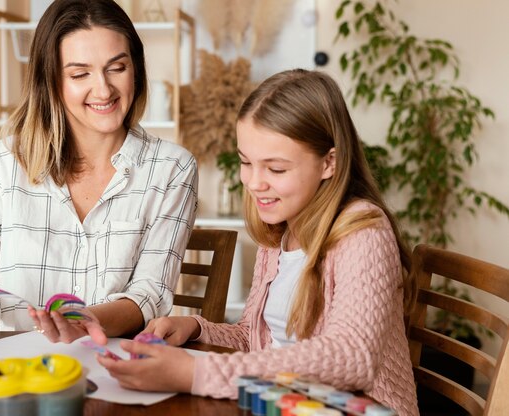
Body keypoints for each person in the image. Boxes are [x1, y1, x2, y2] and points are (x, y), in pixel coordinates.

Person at [99, 69, 419, 415]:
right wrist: (195, 328)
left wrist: (196, 372)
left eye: (275, 169)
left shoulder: (363, 231)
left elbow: (350, 357)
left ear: (330, 162)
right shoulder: (280, 230)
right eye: (245, 162)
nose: (253, 183)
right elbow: (256, 338)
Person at [0, 0, 198, 346]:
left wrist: (83, 322)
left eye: (116, 68)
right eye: (80, 74)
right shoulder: (4, 164)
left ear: (136, 70)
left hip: (114, 367)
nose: (103, 90)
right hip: (16, 372)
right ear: (52, 81)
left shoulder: (172, 169)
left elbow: (150, 295)